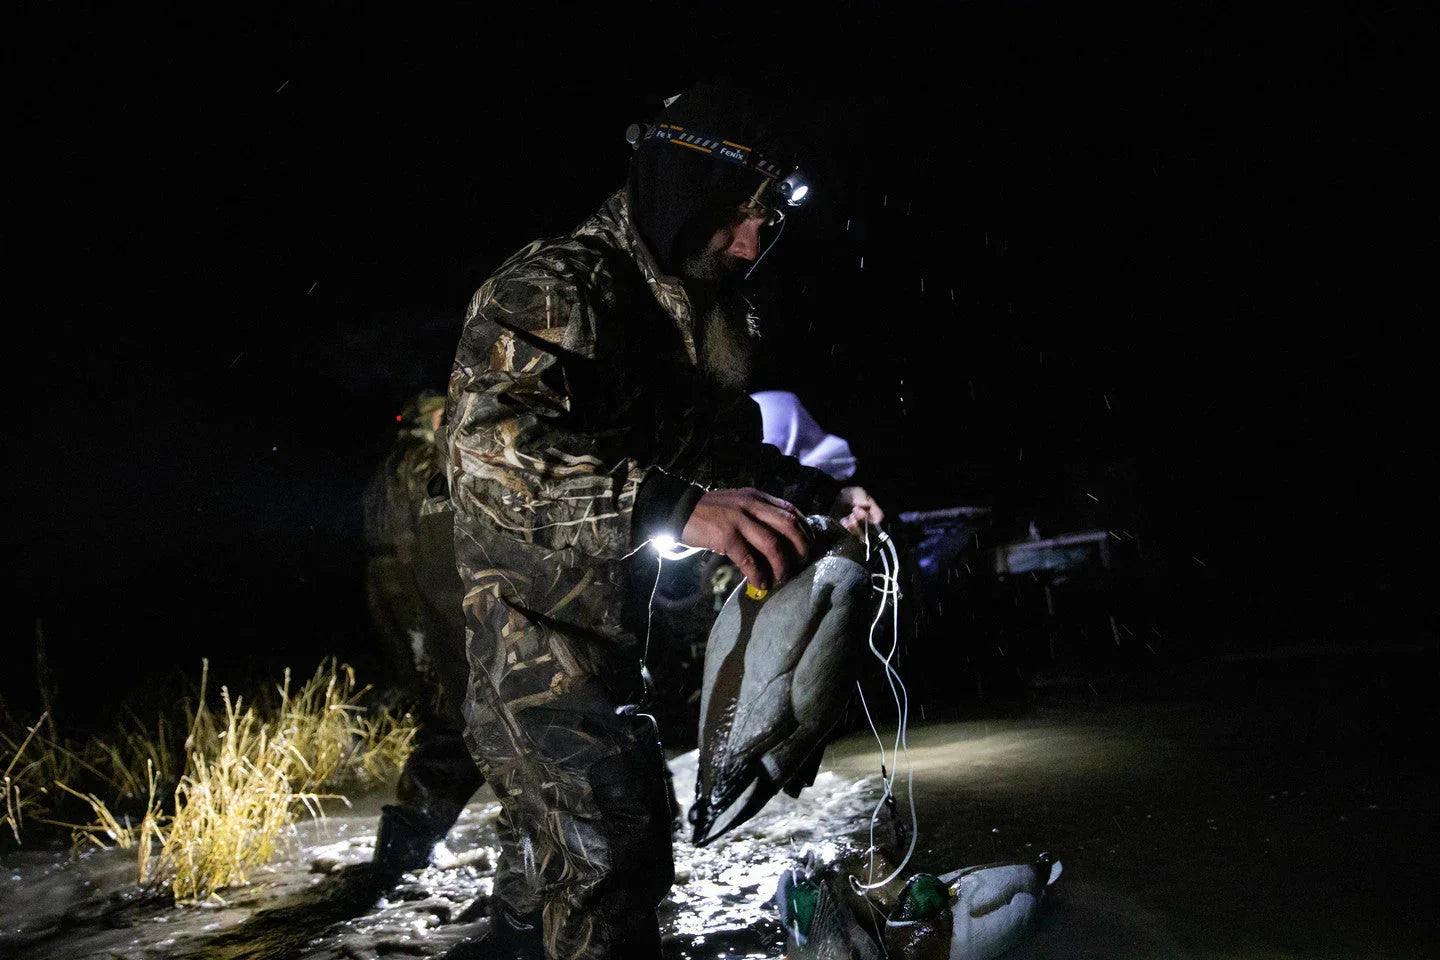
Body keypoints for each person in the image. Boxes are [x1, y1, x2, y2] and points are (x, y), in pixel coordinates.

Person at [444, 82, 884, 959]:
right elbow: (489, 456)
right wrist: (678, 510)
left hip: (619, 629)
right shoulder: (558, 288)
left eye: (769, 222)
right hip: (531, 624)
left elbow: (719, 456)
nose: (754, 243)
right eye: (735, 216)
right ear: (684, 197)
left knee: (549, 854)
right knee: (615, 839)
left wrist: (817, 495)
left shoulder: (701, 305)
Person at [361, 392, 485, 874]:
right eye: (441, 414)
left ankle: (400, 852)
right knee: (449, 712)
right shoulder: (418, 456)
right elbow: (435, 513)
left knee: (437, 705)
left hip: (387, 576)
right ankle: (404, 852)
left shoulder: (390, 458)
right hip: (413, 577)